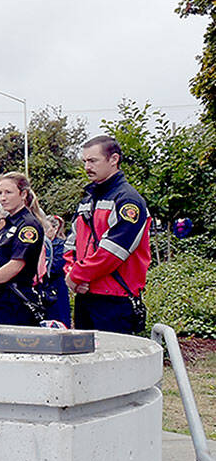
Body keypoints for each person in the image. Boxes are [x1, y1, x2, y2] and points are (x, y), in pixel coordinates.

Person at [65, 135, 151, 334]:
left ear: (114, 160)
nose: (87, 167)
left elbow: (113, 253)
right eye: (85, 161)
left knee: (114, 363)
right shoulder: (88, 200)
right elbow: (71, 245)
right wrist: (70, 274)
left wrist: (76, 275)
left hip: (115, 300)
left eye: (93, 161)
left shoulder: (128, 200)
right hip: (85, 297)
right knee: (85, 362)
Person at [0, 172, 46, 326]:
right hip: (1, 299)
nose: (2, 198)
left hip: (17, 302)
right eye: (0, 193)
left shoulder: (28, 225)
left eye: (8, 192)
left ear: (23, 194)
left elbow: (16, 265)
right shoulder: (9, 223)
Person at [41, 215, 72, 327]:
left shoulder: (61, 245)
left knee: (59, 318)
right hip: (44, 287)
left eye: (47, 228)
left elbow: (56, 266)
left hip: (57, 286)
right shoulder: (41, 244)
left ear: (55, 228)